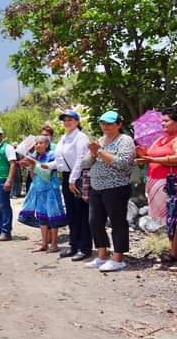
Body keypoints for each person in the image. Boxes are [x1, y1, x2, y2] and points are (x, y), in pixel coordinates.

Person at [82, 111, 135, 272]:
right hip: (97, 187)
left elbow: (123, 163)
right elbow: (85, 163)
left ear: (119, 124)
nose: (105, 126)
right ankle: (102, 254)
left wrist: (99, 151)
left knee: (117, 222)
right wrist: (92, 153)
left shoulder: (125, 140)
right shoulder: (100, 140)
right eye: (103, 123)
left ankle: (118, 258)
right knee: (94, 221)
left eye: (110, 123)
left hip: (116, 187)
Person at [49, 110, 92, 261]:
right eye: (65, 120)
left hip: (78, 177)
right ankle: (74, 245)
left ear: (77, 121)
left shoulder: (81, 137)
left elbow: (80, 159)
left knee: (81, 213)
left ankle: (85, 247)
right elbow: (61, 160)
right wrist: (47, 166)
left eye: (70, 119)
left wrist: (73, 180)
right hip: (67, 176)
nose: (67, 122)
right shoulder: (64, 138)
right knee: (72, 213)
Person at [136, 106, 177, 261]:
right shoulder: (160, 139)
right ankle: (172, 248)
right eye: (162, 121)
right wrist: (143, 155)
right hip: (154, 182)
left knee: (174, 216)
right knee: (168, 218)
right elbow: (149, 156)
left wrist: (152, 159)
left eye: (166, 121)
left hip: (170, 183)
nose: (163, 124)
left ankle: (174, 252)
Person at [18, 136, 67, 253]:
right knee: (42, 218)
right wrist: (28, 166)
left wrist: (33, 165)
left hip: (51, 190)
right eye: (36, 143)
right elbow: (33, 175)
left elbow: (47, 174)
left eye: (41, 143)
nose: (38, 145)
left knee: (53, 217)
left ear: (46, 144)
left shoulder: (51, 155)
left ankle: (54, 244)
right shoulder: (35, 156)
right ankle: (44, 244)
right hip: (39, 190)